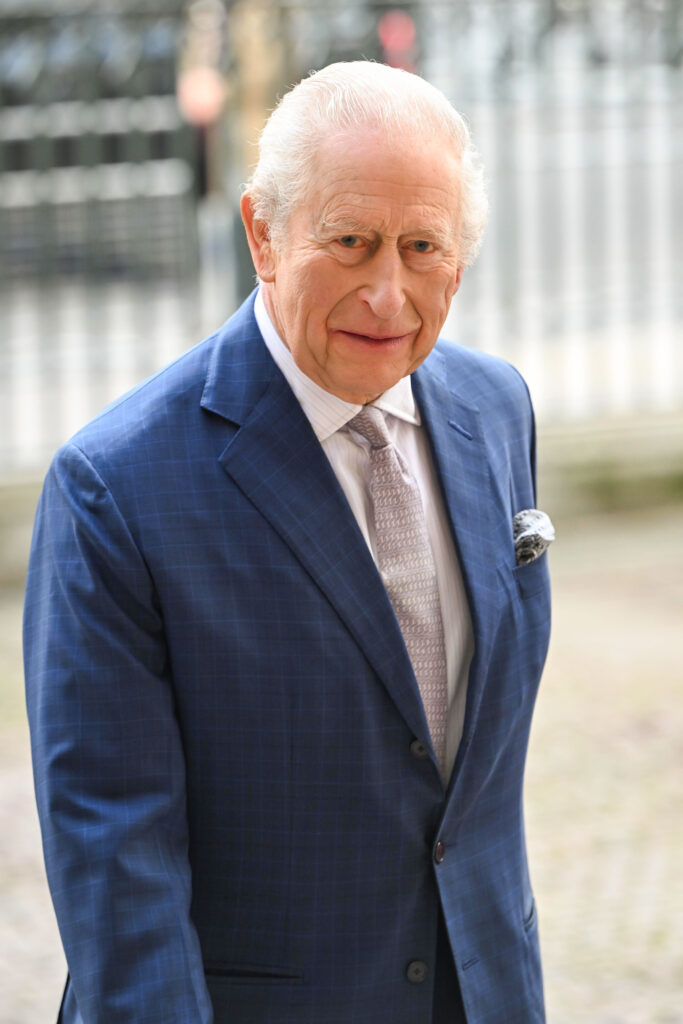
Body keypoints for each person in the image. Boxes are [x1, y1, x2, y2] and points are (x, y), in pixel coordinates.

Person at [24, 61, 551, 1024]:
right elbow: (116, 862)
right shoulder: (114, 488)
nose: (387, 294)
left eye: (422, 247)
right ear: (263, 235)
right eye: (350, 242)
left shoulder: (496, 408)